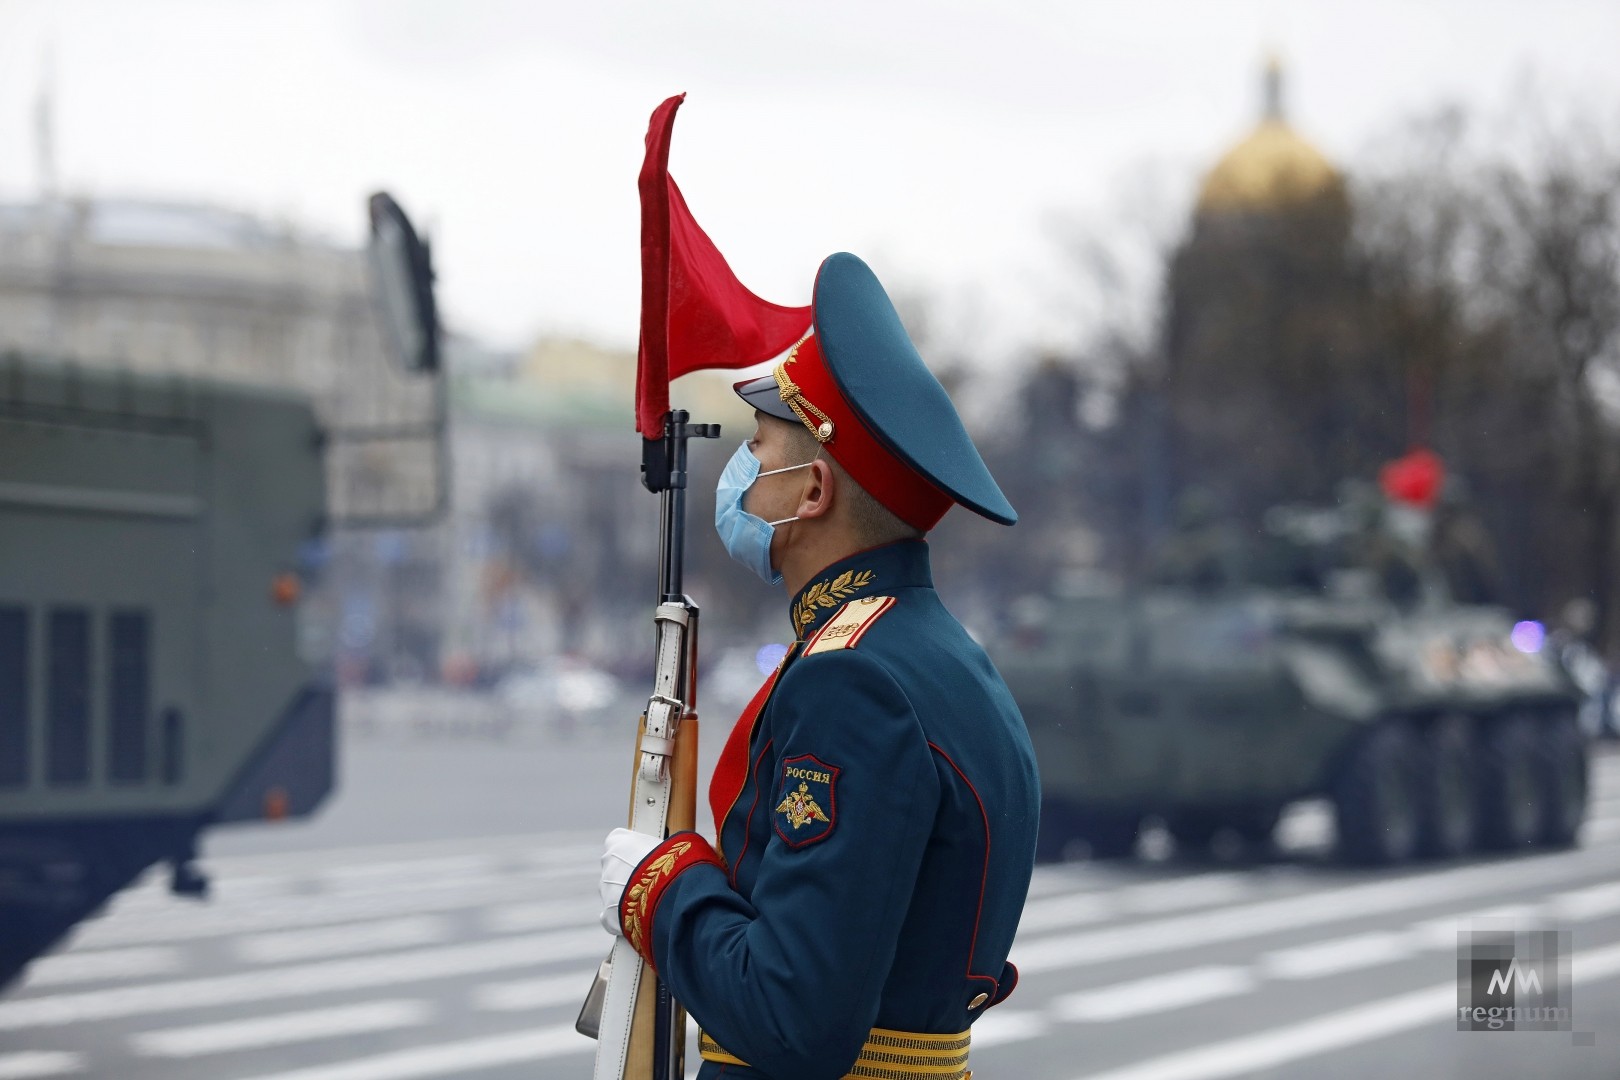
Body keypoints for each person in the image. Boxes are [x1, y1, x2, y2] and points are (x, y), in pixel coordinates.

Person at [598, 252, 1039, 1080]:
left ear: (812, 492)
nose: (744, 473)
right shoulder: (938, 653)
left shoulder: (853, 680)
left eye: (761, 450)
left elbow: (794, 1015)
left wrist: (662, 889)